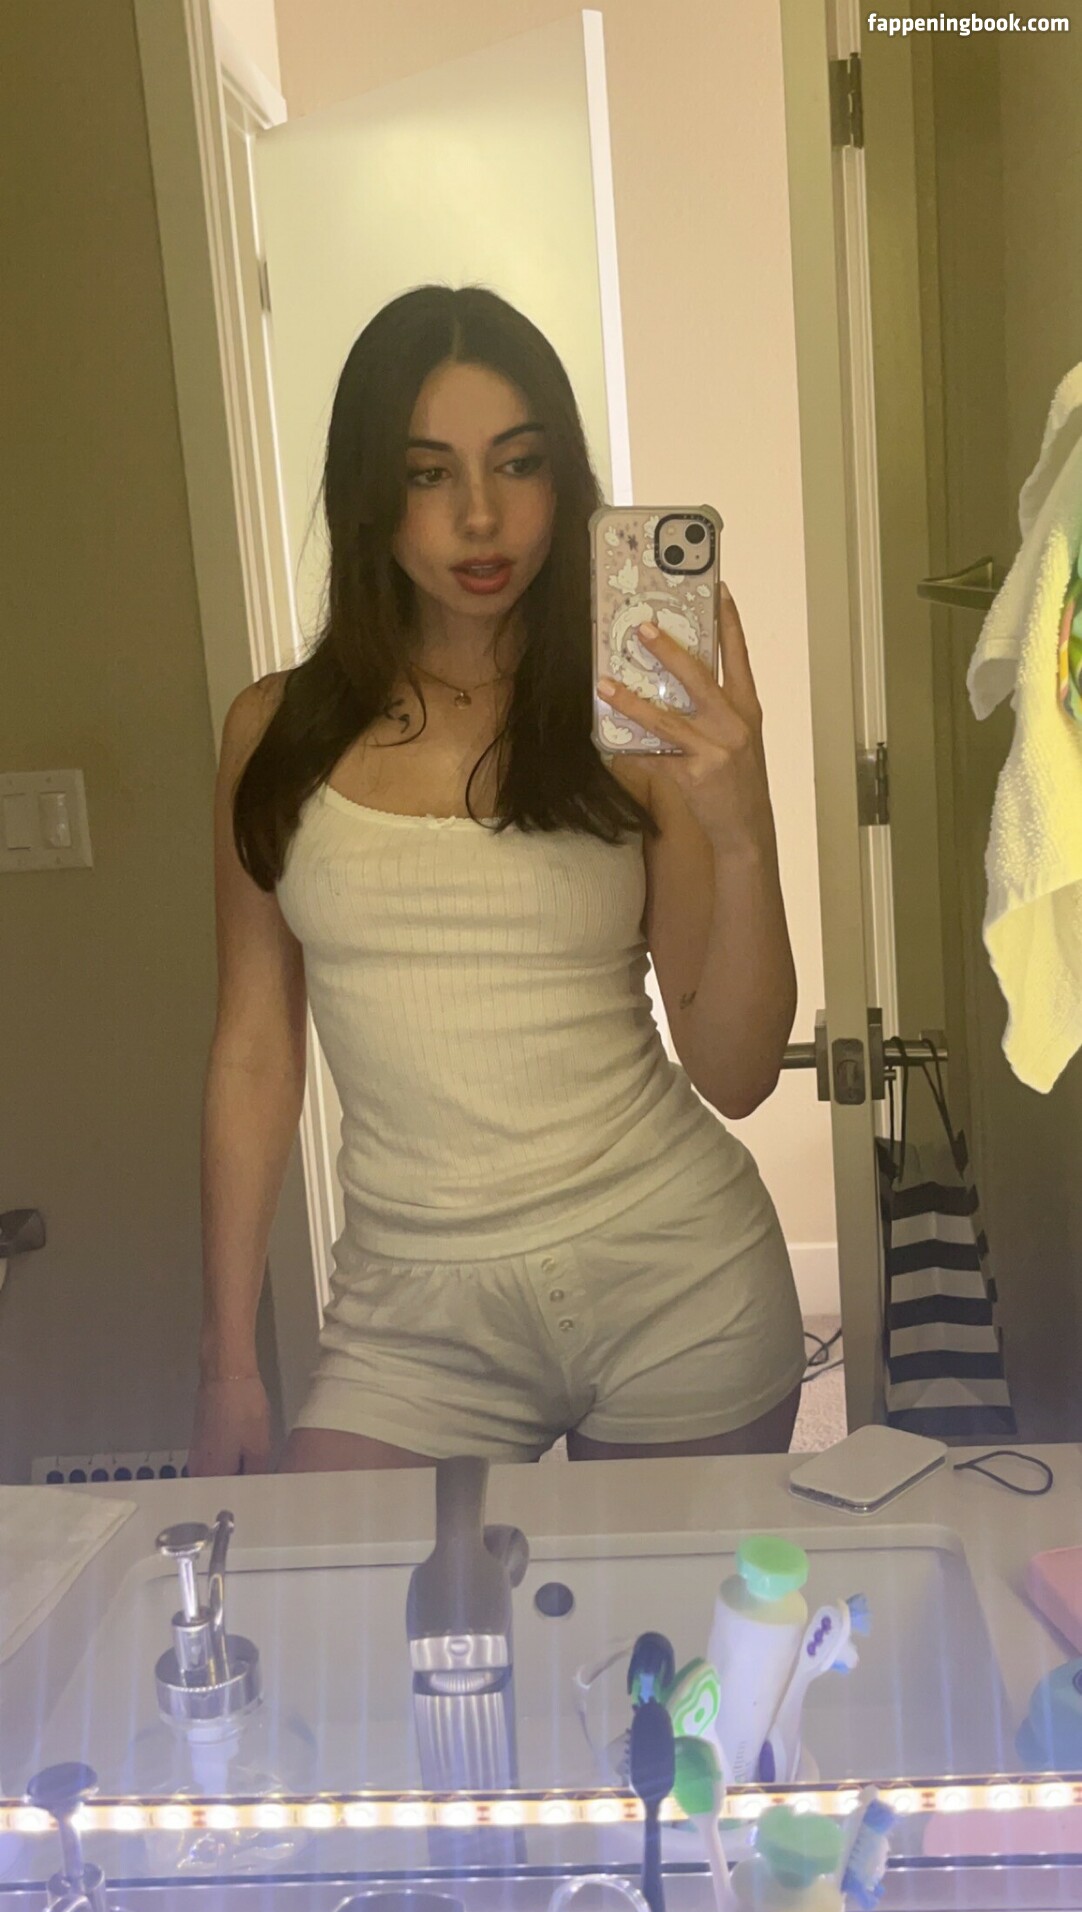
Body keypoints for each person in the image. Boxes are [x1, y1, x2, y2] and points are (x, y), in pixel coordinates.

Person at [188, 285, 806, 1477]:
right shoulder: (271, 733)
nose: (480, 516)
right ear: (367, 493)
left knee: (671, 1615)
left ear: (562, 479)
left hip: (677, 1282)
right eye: (428, 474)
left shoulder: (631, 725)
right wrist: (226, 1365)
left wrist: (742, 830)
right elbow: (253, 1052)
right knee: (353, 1602)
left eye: (517, 464)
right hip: (408, 1325)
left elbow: (734, 1076)